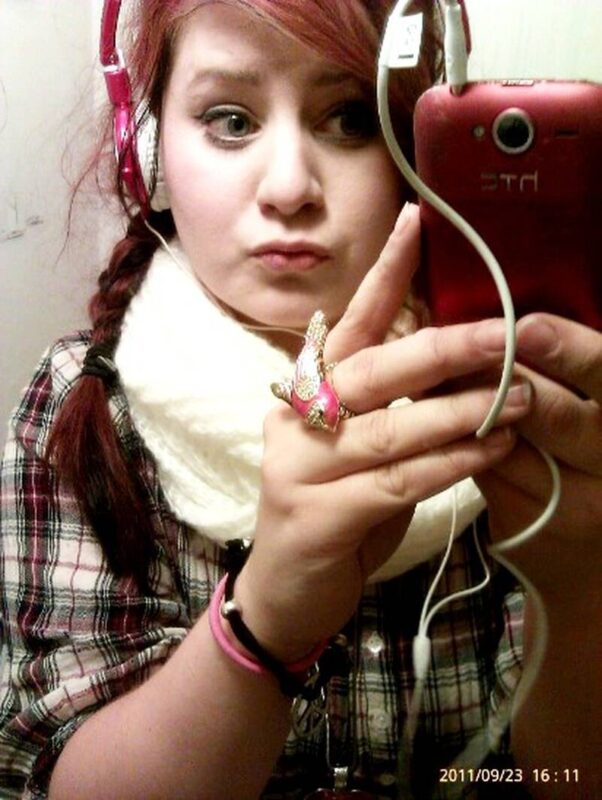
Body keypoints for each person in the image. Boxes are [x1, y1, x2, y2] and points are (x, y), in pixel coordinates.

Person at [0, 1, 600, 798]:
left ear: (413, 149)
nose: (289, 188)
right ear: (148, 152)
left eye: (349, 118)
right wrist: (264, 623)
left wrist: (579, 591)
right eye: (230, 120)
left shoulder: (523, 396)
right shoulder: (79, 404)